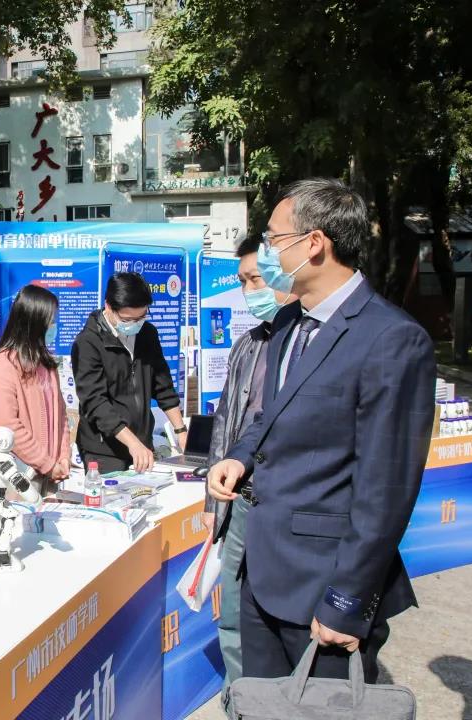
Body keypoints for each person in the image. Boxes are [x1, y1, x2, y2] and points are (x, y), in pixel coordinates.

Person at [207, 179, 436, 683]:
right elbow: (271, 415)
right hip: (262, 575)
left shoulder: (392, 339)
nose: (266, 251)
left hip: (322, 586)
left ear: (314, 243)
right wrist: (240, 456)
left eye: (273, 238)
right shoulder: (289, 322)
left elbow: (386, 487)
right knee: (262, 707)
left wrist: (346, 601)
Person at [203, 234, 298, 690]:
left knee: (285, 620)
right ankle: (240, 699)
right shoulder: (247, 343)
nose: (248, 290)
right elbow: (226, 422)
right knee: (234, 613)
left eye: (256, 279)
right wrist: (212, 504)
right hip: (240, 496)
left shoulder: (313, 342)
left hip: (287, 501)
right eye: (242, 281)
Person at [71, 272, 186, 473]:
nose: (135, 324)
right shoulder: (88, 342)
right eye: (127, 319)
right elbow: (95, 402)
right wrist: (132, 443)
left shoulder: (148, 334)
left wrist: (181, 430)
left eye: (141, 317)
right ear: (108, 306)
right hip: (104, 451)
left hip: (143, 444)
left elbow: (163, 386)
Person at [0, 284, 70, 497]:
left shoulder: (45, 362)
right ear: (34, 322)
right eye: (50, 321)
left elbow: (61, 416)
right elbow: (8, 427)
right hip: (18, 478)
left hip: (49, 474)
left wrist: (63, 456)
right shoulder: (3, 365)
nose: (54, 326)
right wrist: (47, 463)